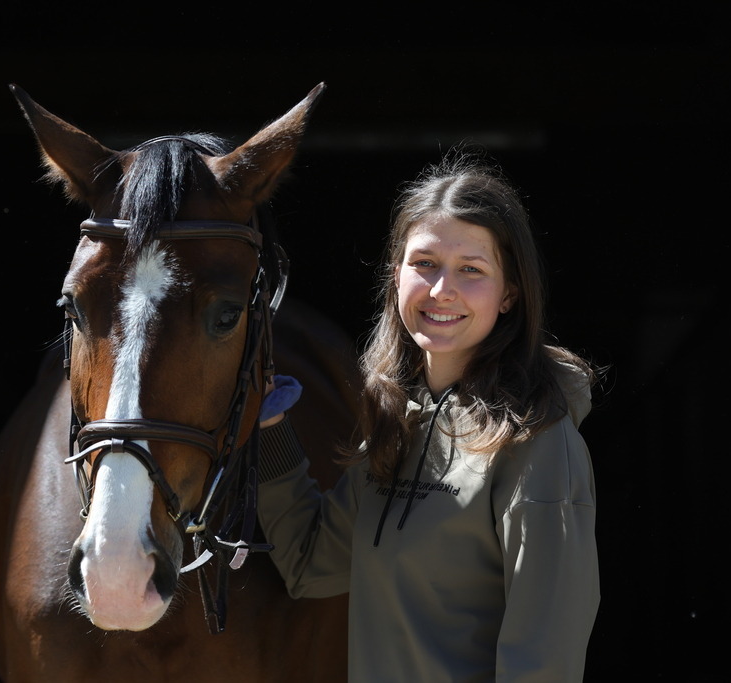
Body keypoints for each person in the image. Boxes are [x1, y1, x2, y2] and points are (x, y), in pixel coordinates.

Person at [256, 155, 600, 682]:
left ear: (509, 293)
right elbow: (310, 563)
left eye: (471, 270)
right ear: (396, 278)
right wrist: (271, 429)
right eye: (425, 264)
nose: (442, 290)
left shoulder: (538, 443)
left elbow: (543, 660)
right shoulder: (398, 427)